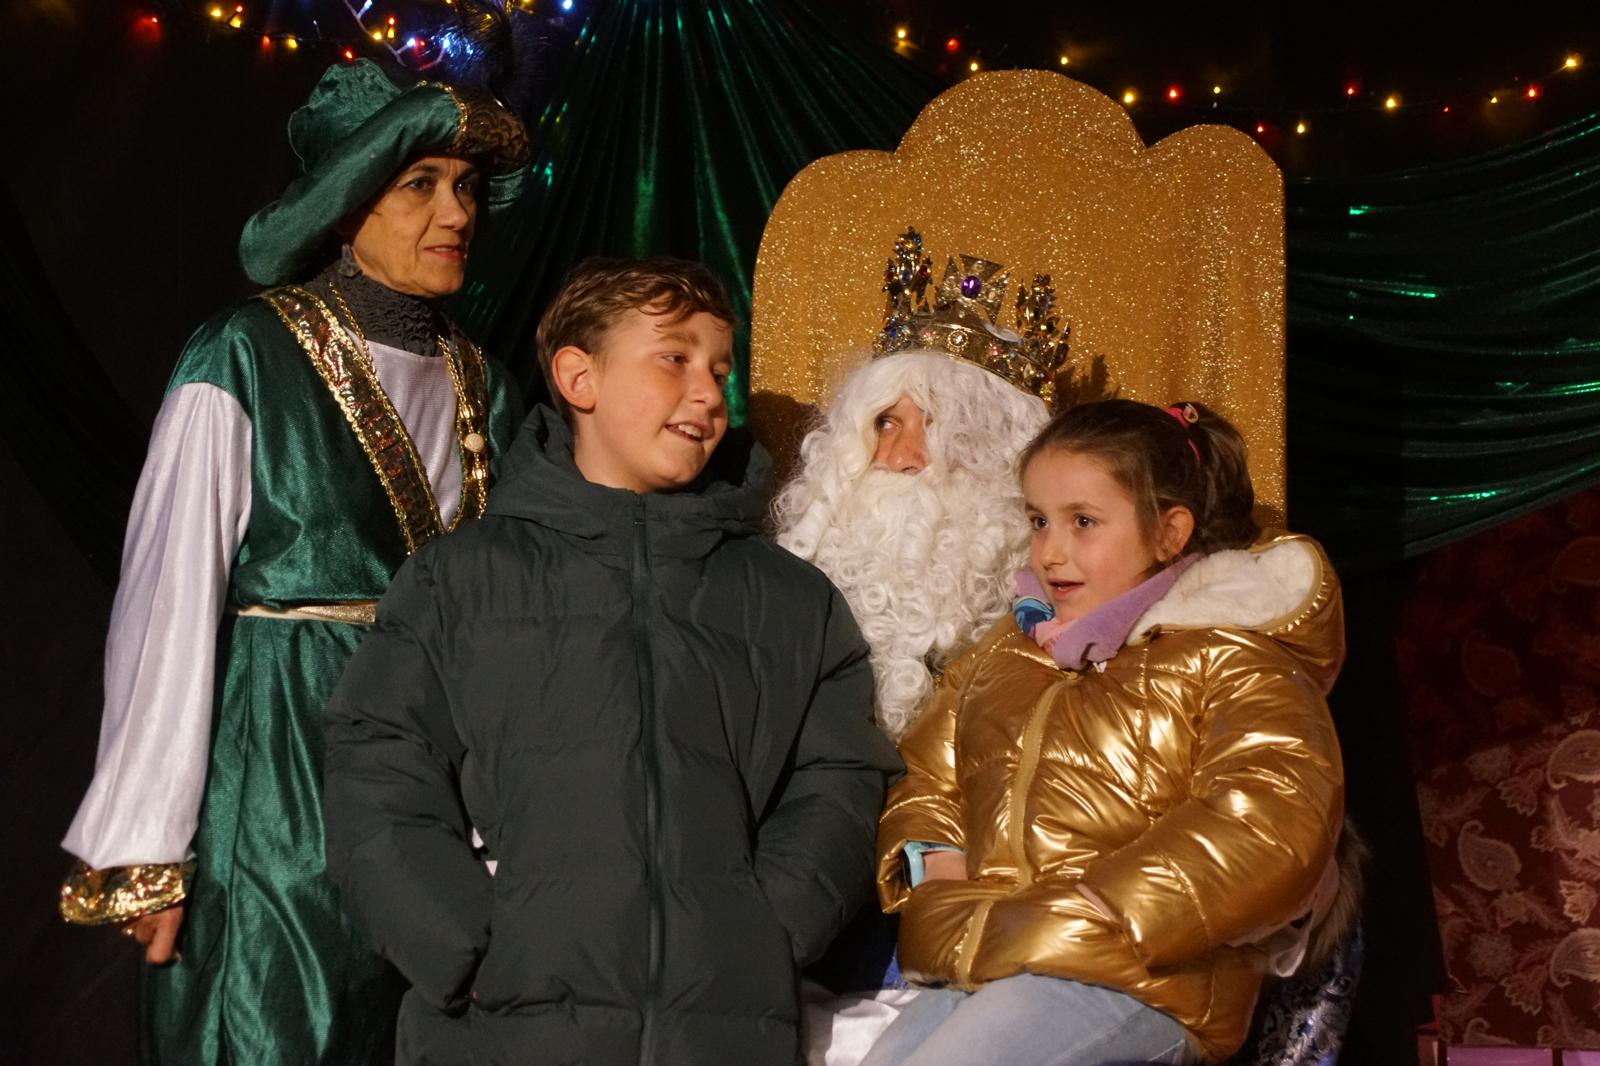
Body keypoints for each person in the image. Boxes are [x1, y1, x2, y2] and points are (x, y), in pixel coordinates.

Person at [57, 60, 529, 1065]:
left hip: (433, 802)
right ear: (345, 206)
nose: (456, 211)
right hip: (279, 775)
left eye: (465, 187)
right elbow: (167, 599)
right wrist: (147, 843)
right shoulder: (243, 356)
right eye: (420, 185)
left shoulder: (487, 384)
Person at [321, 256, 903, 1066]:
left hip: (721, 1029)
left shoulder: (790, 599)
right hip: (506, 1032)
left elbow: (837, 776)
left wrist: (767, 927)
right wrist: (468, 945)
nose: (709, 393)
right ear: (578, 376)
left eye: (721, 370)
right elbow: (376, 773)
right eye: (675, 358)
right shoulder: (460, 580)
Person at [865, 398, 1349, 1066]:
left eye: (1083, 522)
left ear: (1169, 533)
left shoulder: (1227, 657)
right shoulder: (1006, 656)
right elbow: (929, 774)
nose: (1051, 550)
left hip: (1140, 979)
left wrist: (1107, 906)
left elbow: (1274, 811)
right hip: (991, 955)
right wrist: (934, 869)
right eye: (1038, 520)